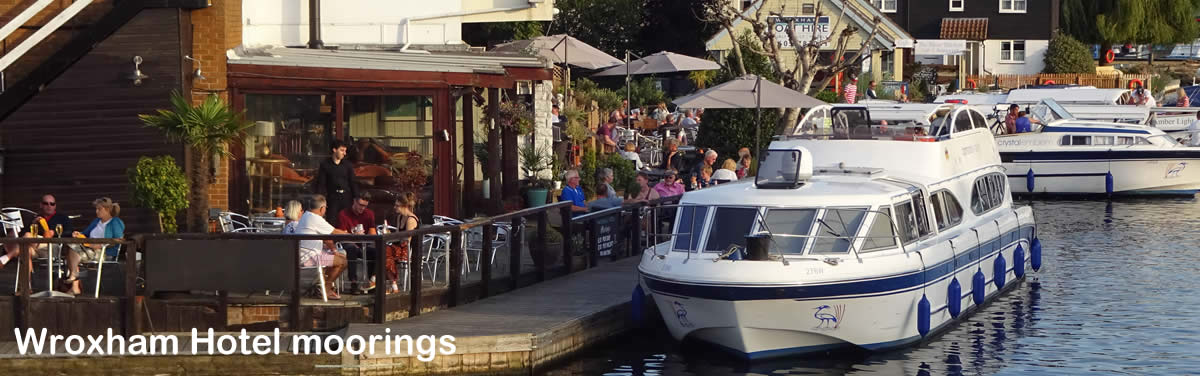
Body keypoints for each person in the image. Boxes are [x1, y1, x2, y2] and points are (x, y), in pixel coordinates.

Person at [63, 197, 124, 295]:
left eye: (99, 209)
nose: (96, 211)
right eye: (96, 209)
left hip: (104, 253)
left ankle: (74, 277)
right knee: (70, 247)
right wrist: (78, 234)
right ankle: (74, 283)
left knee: (73, 251)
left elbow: (118, 239)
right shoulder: (96, 221)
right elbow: (86, 233)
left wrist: (99, 245)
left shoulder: (115, 222)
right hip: (89, 249)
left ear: (107, 210)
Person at [295, 194, 348, 300]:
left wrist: (333, 249)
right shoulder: (315, 218)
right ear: (322, 208)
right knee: (343, 262)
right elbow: (335, 232)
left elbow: (326, 237)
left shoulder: (307, 215)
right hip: (308, 257)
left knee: (339, 256)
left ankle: (320, 287)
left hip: (304, 254)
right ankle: (325, 289)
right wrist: (353, 234)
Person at [338, 192, 378, 293]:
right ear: (354, 201)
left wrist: (369, 236)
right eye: (360, 205)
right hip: (349, 242)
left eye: (365, 206)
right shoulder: (343, 214)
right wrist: (354, 235)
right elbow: (341, 233)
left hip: (364, 243)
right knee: (352, 249)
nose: (362, 208)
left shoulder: (369, 214)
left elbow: (372, 231)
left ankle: (371, 281)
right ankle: (353, 282)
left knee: (376, 250)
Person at [312, 140, 358, 227]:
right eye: (342, 150)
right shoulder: (325, 165)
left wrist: (356, 198)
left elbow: (353, 182)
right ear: (334, 150)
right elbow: (321, 184)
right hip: (332, 198)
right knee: (331, 223)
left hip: (346, 198)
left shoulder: (348, 165)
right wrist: (320, 201)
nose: (344, 153)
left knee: (347, 222)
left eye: (345, 151)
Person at [384, 192, 420, 294]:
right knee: (382, 252)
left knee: (385, 253)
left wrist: (393, 238)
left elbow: (407, 240)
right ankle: (393, 286)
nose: (395, 207)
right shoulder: (400, 217)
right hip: (399, 247)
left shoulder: (411, 219)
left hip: (408, 250)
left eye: (397, 205)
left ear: (405, 206)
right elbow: (398, 235)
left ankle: (376, 280)